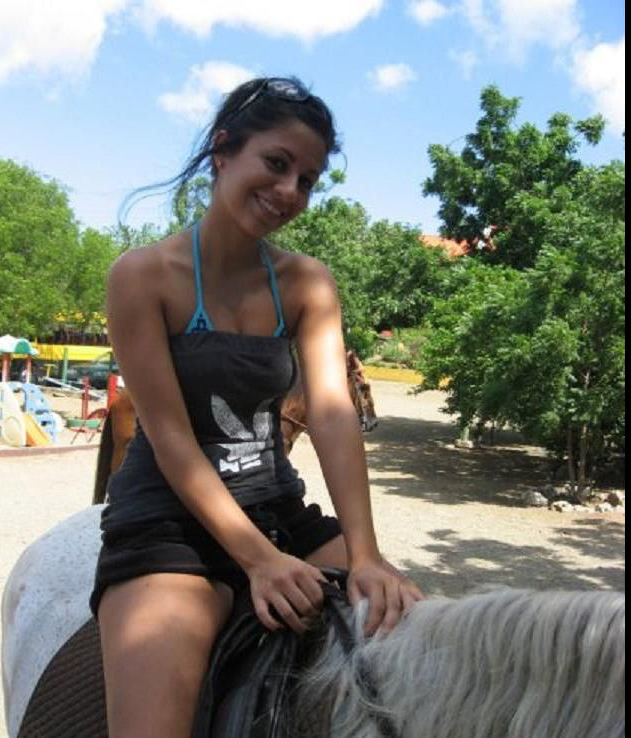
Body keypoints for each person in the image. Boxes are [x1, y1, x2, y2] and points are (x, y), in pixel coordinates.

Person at [90, 76, 424, 738]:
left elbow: (331, 413)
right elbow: (171, 438)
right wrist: (258, 562)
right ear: (223, 151)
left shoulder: (307, 282)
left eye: (308, 180)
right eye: (276, 163)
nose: (290, 191)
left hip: (278, 510)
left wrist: (365, 554)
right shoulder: (142, 277)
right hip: (168, 523)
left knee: (419, 656)